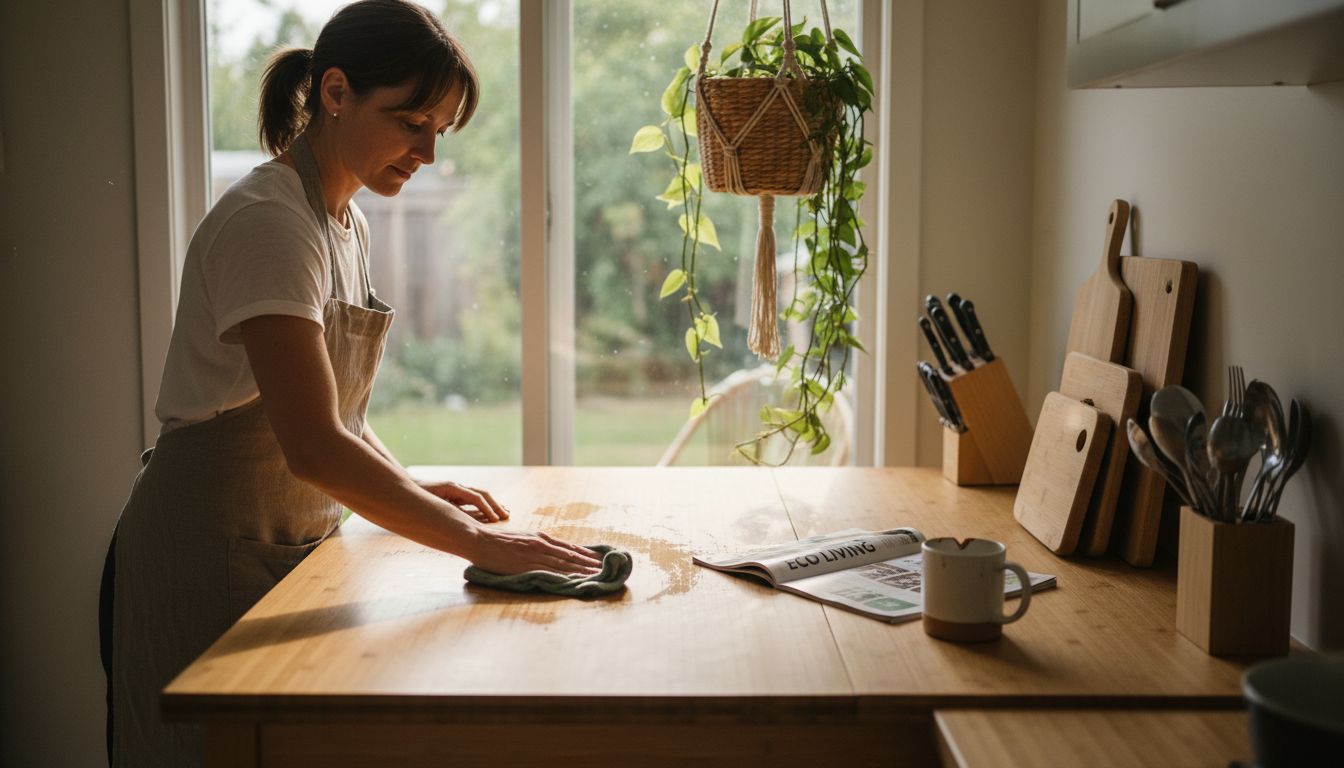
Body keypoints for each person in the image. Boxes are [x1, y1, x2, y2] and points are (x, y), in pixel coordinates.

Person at [99, 2, 602, 764]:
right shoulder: (269, 223)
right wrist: (478, 544)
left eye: (439, 129)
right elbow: (313, 447)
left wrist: (413, 484)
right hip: (203, 559)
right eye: (412, 123)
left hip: (285, 553)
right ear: (336, 92)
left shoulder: (346, 222)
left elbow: (336, 414)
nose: (428, 152)